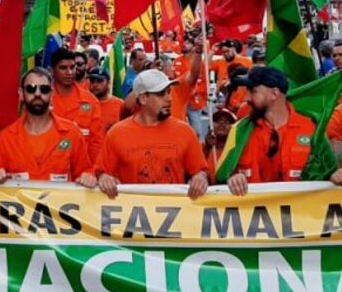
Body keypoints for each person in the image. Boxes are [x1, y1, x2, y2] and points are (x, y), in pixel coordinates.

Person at [95, 70, 209, 199]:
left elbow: (200, 170)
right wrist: (105, 178)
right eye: (161, 94)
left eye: (169, 92)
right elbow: (102, 172)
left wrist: (200, 178)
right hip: (132, 214)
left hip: (175, 213)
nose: (169, 98)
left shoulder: (185, 132)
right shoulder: (116, 134)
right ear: (143, 98)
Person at [0, 69, 95, 184]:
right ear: (21, 94)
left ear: (51, 93)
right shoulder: (5, 138)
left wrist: (88, 178)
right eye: (31, 89)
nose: (37, 94)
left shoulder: (72, 133)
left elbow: (85, 172)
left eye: (44, 89)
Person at [224, 67, 319, 196]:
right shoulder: (239, 130)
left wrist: (337, 176)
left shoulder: (311, 129)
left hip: (297, 213)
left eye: (253, 91)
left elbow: (327, 172)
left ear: (274, 94)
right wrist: (232, 178)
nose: (247, 98)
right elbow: (221, 175)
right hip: (251, 212)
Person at [49, 48, 105, 161]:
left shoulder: (90, 100)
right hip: (50, 169)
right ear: (52, 71)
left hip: (81, 171)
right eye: (63, 68)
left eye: (72, 67)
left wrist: (92, 171)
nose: (69, 72)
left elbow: (96, 141)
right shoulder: (44, 99)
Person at [203, 109, 236, 175]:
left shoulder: (238, 149)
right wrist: (207, 149)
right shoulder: (201, 147)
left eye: (228, 122)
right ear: (210, 127)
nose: (222, 123)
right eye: (217, 121)